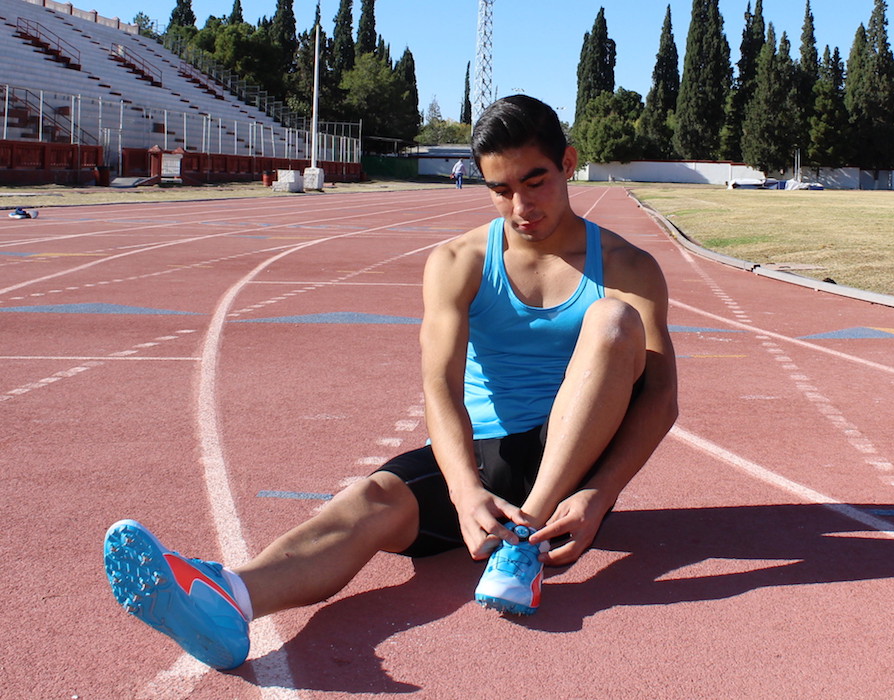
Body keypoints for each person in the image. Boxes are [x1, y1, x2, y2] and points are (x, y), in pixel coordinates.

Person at [103, 94, 679, 671]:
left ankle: (524, 541)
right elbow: (440, 387)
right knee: (371, 499)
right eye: (501, 190)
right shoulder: (460, 260)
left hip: (571, 452)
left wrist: (600, 494)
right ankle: (230, 595)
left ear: (568, 162)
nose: (521, 205)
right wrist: (462, 490)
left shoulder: (627, 267)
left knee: (612, 320)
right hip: (480, 457)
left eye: (536, 182)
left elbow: (658, 397)